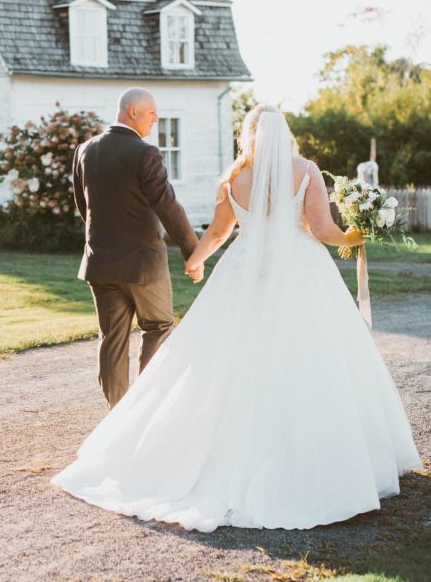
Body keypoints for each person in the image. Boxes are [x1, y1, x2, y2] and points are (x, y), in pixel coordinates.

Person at [52, 104, 422, 531]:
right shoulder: (306, 171)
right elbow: (322, 230)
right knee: (313, 355)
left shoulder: (233, 178)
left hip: (244, 269)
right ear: (285, 134)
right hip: (300, 270)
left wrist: (196, 260)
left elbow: (218, 232)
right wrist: (358, 233)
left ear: (248, 134)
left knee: (229, 356)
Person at [72, 87, 201, 410]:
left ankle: (117, 414)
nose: (156, 119)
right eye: (152, 112)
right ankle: (144, 412)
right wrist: (193, 253)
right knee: (158, 328)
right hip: (144, 266)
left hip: (100, 263)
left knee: (112, 339)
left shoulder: (85, 151)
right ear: (132, 112)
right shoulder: (145, 153)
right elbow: (168, 206)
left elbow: (82, 204)